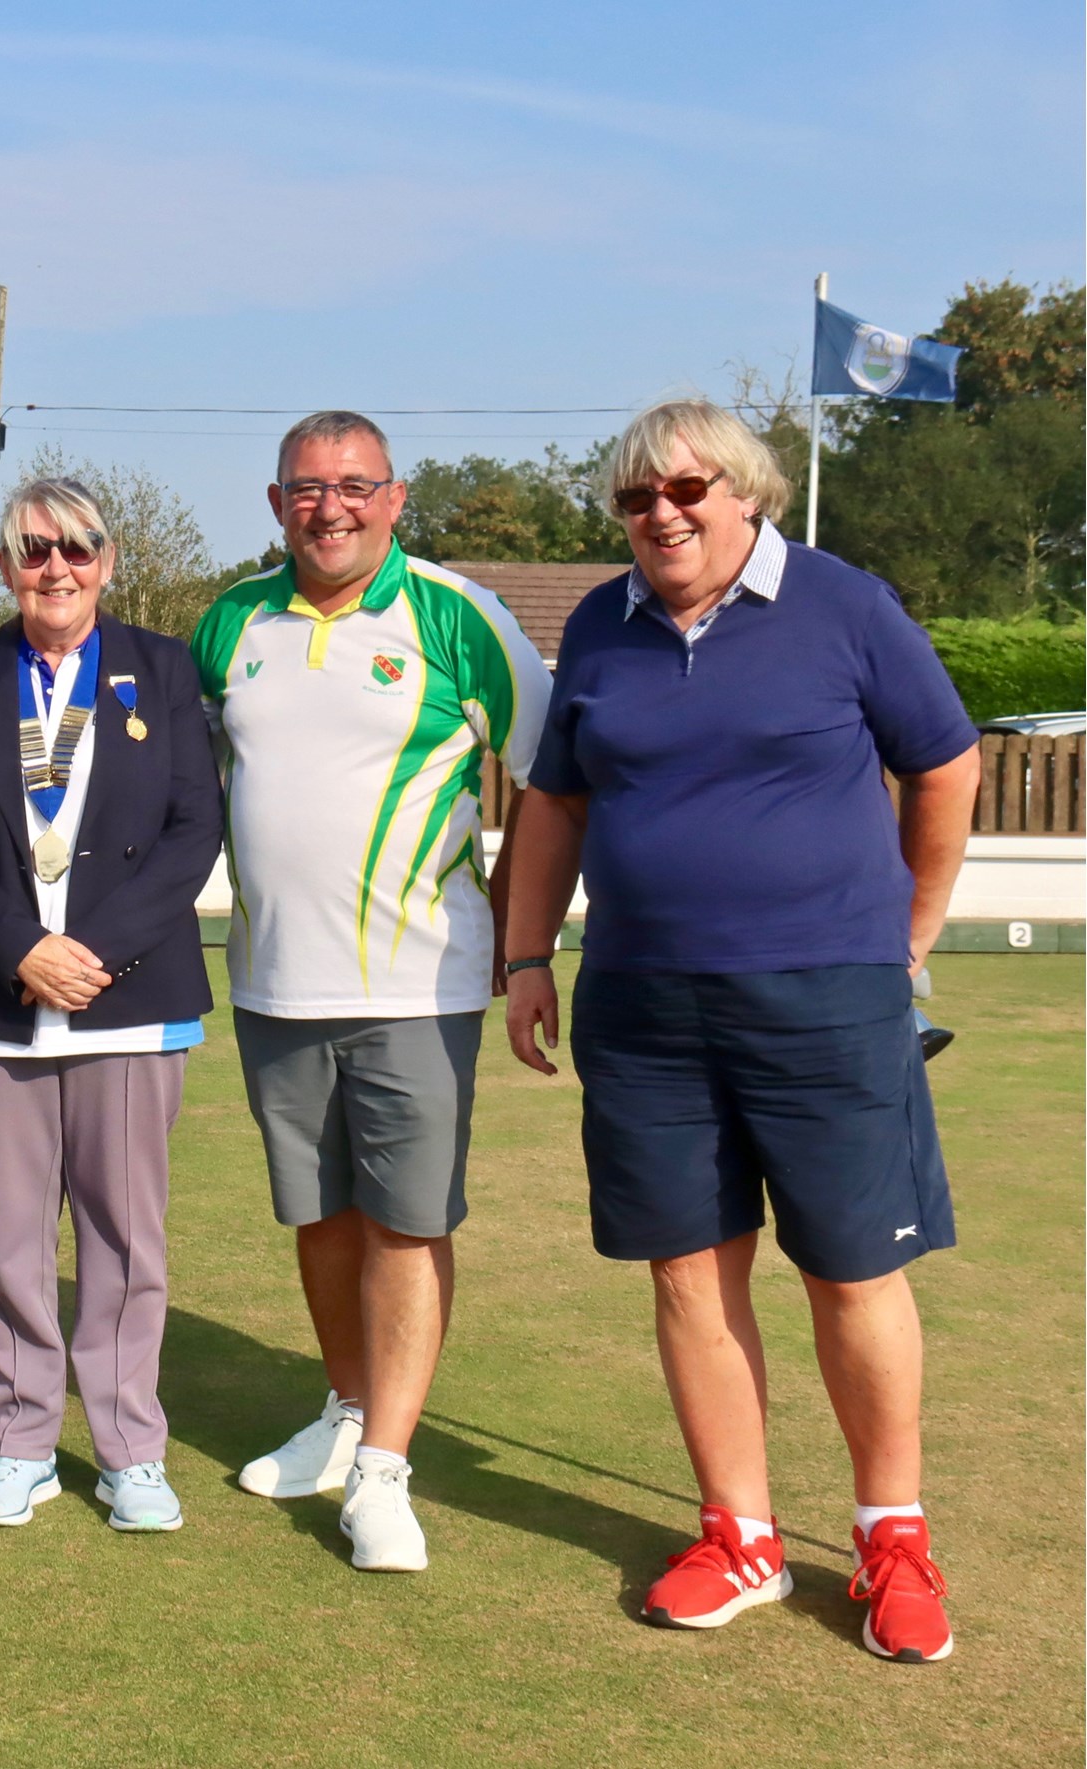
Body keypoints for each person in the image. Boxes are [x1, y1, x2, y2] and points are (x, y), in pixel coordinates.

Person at [503, 398, 978, 1663]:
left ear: (748, 492)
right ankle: (744, 1535)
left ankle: (892, 1540)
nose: (662, 513)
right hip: (646, 1006)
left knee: (851, 1270)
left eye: (688, 488)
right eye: (635, 498)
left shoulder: (843, 603)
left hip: (828, 998)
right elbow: (554, 802)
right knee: (688, 1270)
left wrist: (911, 935)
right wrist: (525, 954)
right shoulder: (601, 624)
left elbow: (943, 763)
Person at [190, 412, 549, 1572]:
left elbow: (554, 781)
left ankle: (387, 1467)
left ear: (396, 499)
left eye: (355, 486)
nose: (330, 507)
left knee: (406, 1219)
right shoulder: (230, 621)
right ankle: (346, 1411)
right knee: (320, 1215)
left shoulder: (454, 612)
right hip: (270, 982)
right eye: (307, 487)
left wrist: (529, 942)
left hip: (419, 982)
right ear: (275, 499)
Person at [0, 478, 222, 1531]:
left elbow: (192, 832)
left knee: (126, 1237)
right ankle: (22, 1437)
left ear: (109, 560)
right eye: (34, 549)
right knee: (8, 1239)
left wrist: (91, 953)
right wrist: (22, 948)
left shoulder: (163, 670)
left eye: (78, 548)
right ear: (4, 567)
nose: (56, 567)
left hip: (127, 997)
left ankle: (131, 1446)